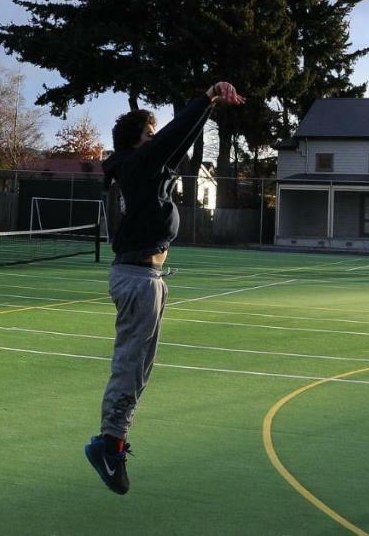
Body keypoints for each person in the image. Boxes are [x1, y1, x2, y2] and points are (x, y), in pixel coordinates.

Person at [84, 81, 244, 495]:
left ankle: (113, 440)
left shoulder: (140, 166)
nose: (155, 138)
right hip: (137, 279)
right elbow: (173, 138)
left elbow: (175, 143)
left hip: (144, 278)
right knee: (130, 364)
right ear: (137, 143)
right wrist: (206, 98)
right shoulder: (136, 165)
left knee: (140, 368)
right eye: (149, 134)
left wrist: (207, 109)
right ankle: (108, 443)